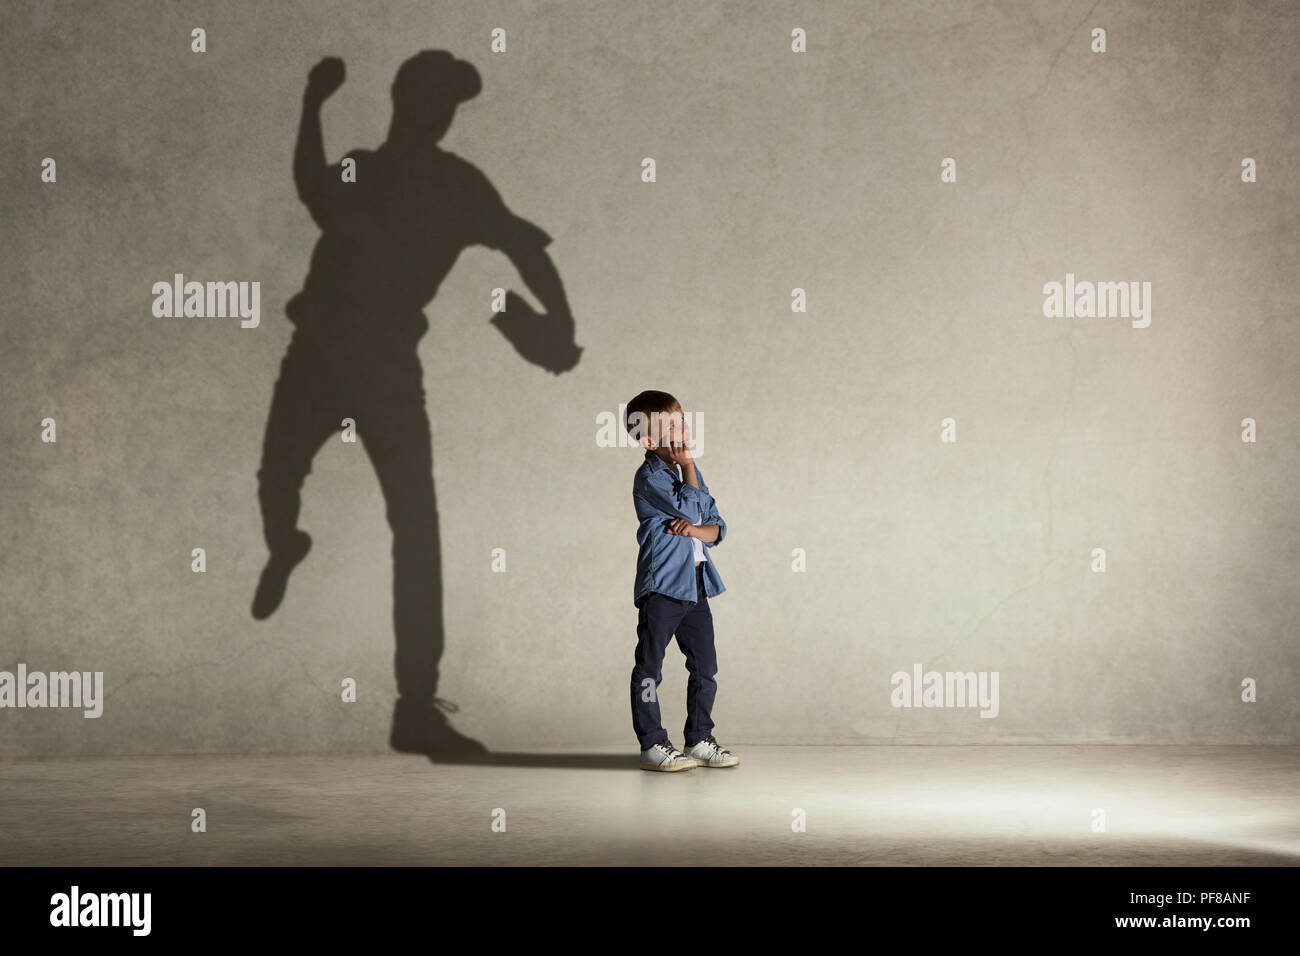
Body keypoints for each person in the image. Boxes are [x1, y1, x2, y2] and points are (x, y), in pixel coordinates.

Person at [251, 51, 579, 760]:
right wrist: (312, 102)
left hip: (385, 364)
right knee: (278, 480)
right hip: (321, 350)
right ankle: (286, 544)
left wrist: (562, 324)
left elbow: (524, 247)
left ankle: (414, 708)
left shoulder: (459, 186)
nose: (441, 115)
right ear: (403, 99)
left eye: (450, 105)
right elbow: (312, 180)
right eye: (433, 99)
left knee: (416, 523)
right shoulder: (360, 169)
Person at [624, 391, 739, 771]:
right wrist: (694, 516)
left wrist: (694, 528)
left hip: (696, 585)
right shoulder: (650, 477)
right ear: (649, 440)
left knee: (705, 666)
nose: (683, 430)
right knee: (650, 668)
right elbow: (694, 508)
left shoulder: (685, 472)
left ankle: (699, 739)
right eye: (672, 426)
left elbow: (716, 524)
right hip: (664, 586)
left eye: (683, 421)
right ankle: (653, 743)